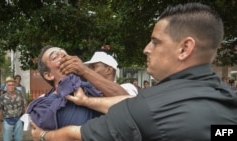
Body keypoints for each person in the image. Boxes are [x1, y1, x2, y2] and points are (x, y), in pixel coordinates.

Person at [31, 3, 237, 141]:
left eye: (155, 42)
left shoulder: (149, 108)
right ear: (48, 74)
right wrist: (86, 102)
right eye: (54, 56)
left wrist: (42, 135)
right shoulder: (228, 100)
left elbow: (77, 134)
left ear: (185, 48)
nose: (146, 49)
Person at [26, 45, 128, 130]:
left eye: (64, 53)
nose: (62, 56)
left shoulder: (92, 88)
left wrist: (84, 72)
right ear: (49, 75)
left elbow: (129, 106)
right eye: (55, 57)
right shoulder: (45, 107)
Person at [0, 76, 27, 141]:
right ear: (6, 86)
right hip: (7, 121)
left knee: (19, 139)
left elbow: (24, 106)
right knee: (7, 139)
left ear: (15, 85)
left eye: (13, 85)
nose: (11, 86)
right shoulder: (3, 97)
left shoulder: (20, 94)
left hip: (18, 120)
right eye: (9, 85)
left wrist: (26, 119)